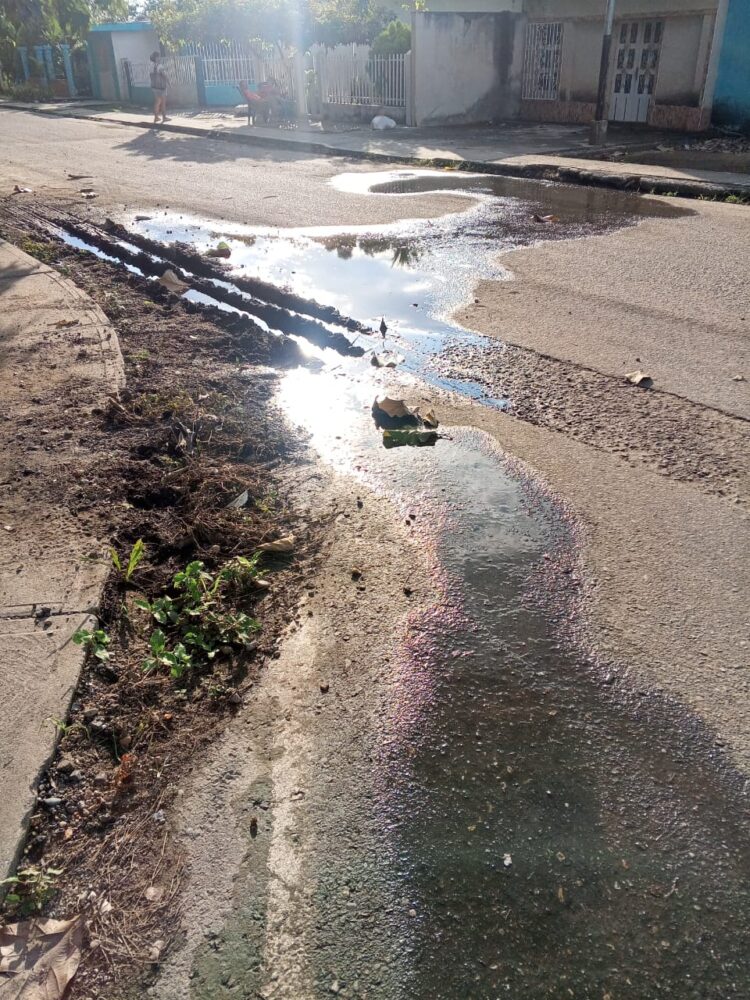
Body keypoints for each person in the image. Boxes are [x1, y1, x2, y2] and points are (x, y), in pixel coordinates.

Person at [149, 51, 169, 125]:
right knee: (163, 102)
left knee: (157, 102)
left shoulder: (150, 66)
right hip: (161, 87)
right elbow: (164, 75)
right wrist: (169, 82)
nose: (160, 58)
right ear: (156, 58)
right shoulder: (159, 66)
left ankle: (156, 117)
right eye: (159, 57)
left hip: (154, 86)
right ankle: (164, 117)